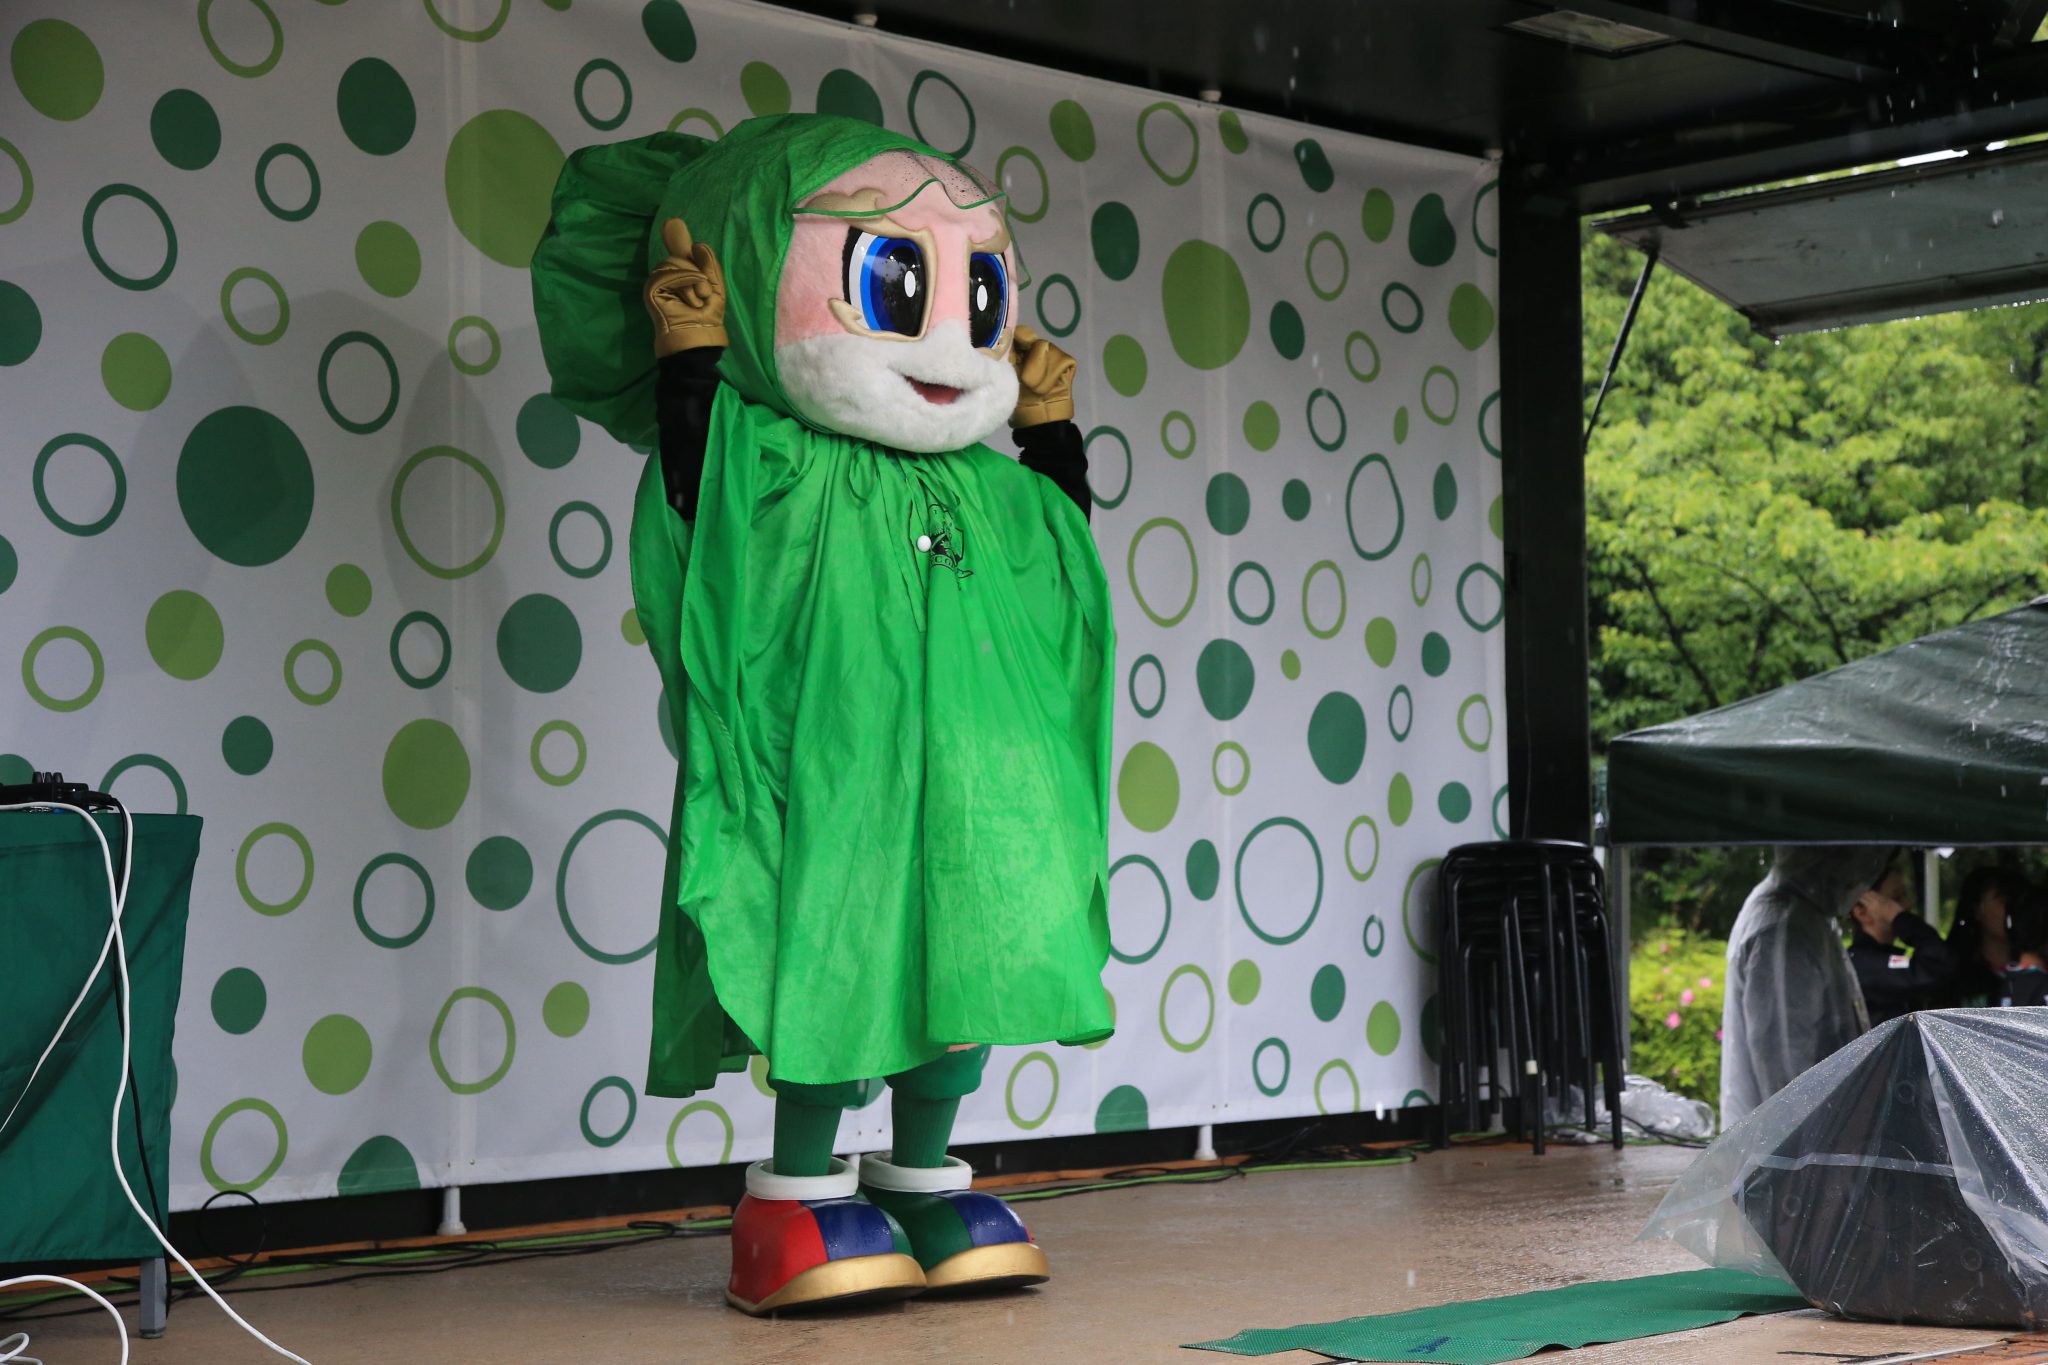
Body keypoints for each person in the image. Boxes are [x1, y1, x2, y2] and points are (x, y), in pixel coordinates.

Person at [531, 117, 1114, 1315]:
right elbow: (701, 514)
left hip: (977, 795)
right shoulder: (775, 457)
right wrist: (691, 368)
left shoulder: (979, 485)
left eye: (977, 288)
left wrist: (1047, 434)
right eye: (896, 282)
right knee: (837, 962)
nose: (948, 333)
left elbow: (1057, 556)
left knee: (975, 961)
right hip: (840, 785)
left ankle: (920, 1178)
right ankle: (794, 1195)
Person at [1721, 846, 1891, 1127]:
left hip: (1807, 1141)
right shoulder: (1784, 928)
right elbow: (1786, 1080)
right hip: (1786, 1144)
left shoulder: (1806, 917)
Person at [1845, 862, 1955, 1026]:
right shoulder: (1863, 964)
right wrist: (1900, 919)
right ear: (1862, 912)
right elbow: (1936, 965)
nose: (1906, 905)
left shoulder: (1877, 957)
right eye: (1895, 899)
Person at [1944, 866, 2028, 1006]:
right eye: (2003, 901)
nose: (2013, 909)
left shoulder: (2035, 970)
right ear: (1978, 910)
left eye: (2017, 901)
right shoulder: (1956, 973)